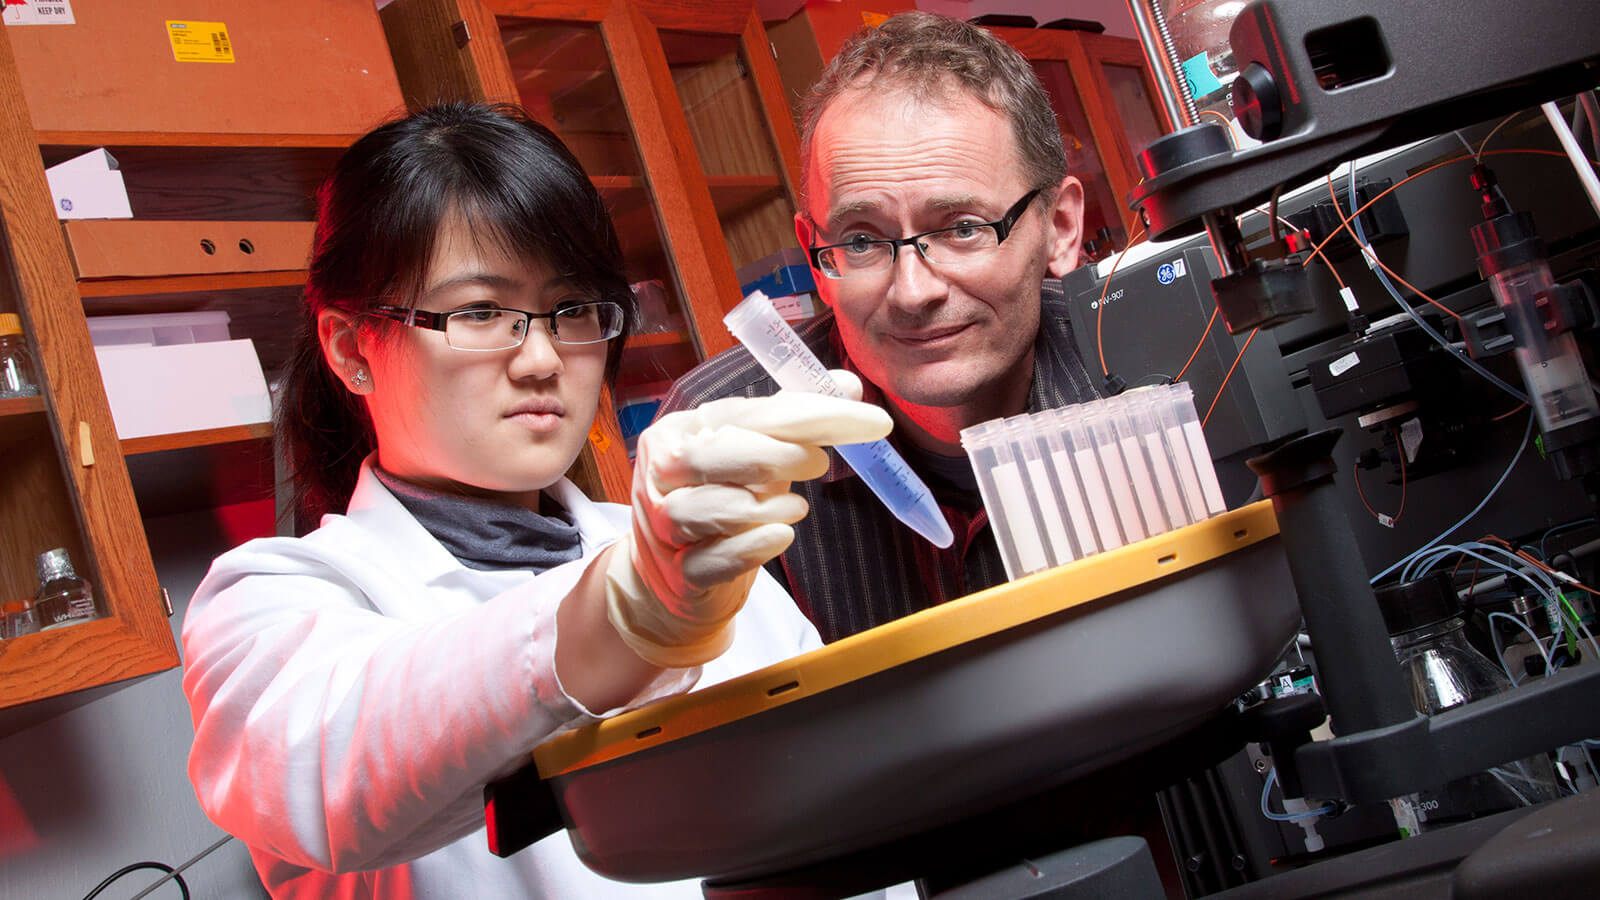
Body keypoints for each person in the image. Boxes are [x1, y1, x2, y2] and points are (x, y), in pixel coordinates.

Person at [180, 101, 892, 899]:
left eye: (573, 309)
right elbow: (326, 772)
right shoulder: (271, 601)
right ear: (352, 348)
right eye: (482, 311)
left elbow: (852, 831)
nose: (545, 359)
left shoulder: (703, 564)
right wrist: (620, 614)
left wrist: (652, 584)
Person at [659, 12, 1102, 642]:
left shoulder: (1155, 363)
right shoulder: (726, 432)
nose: (914, 290)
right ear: (816, 254)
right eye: (862, 240)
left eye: (963, 228)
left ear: (1059, 229)